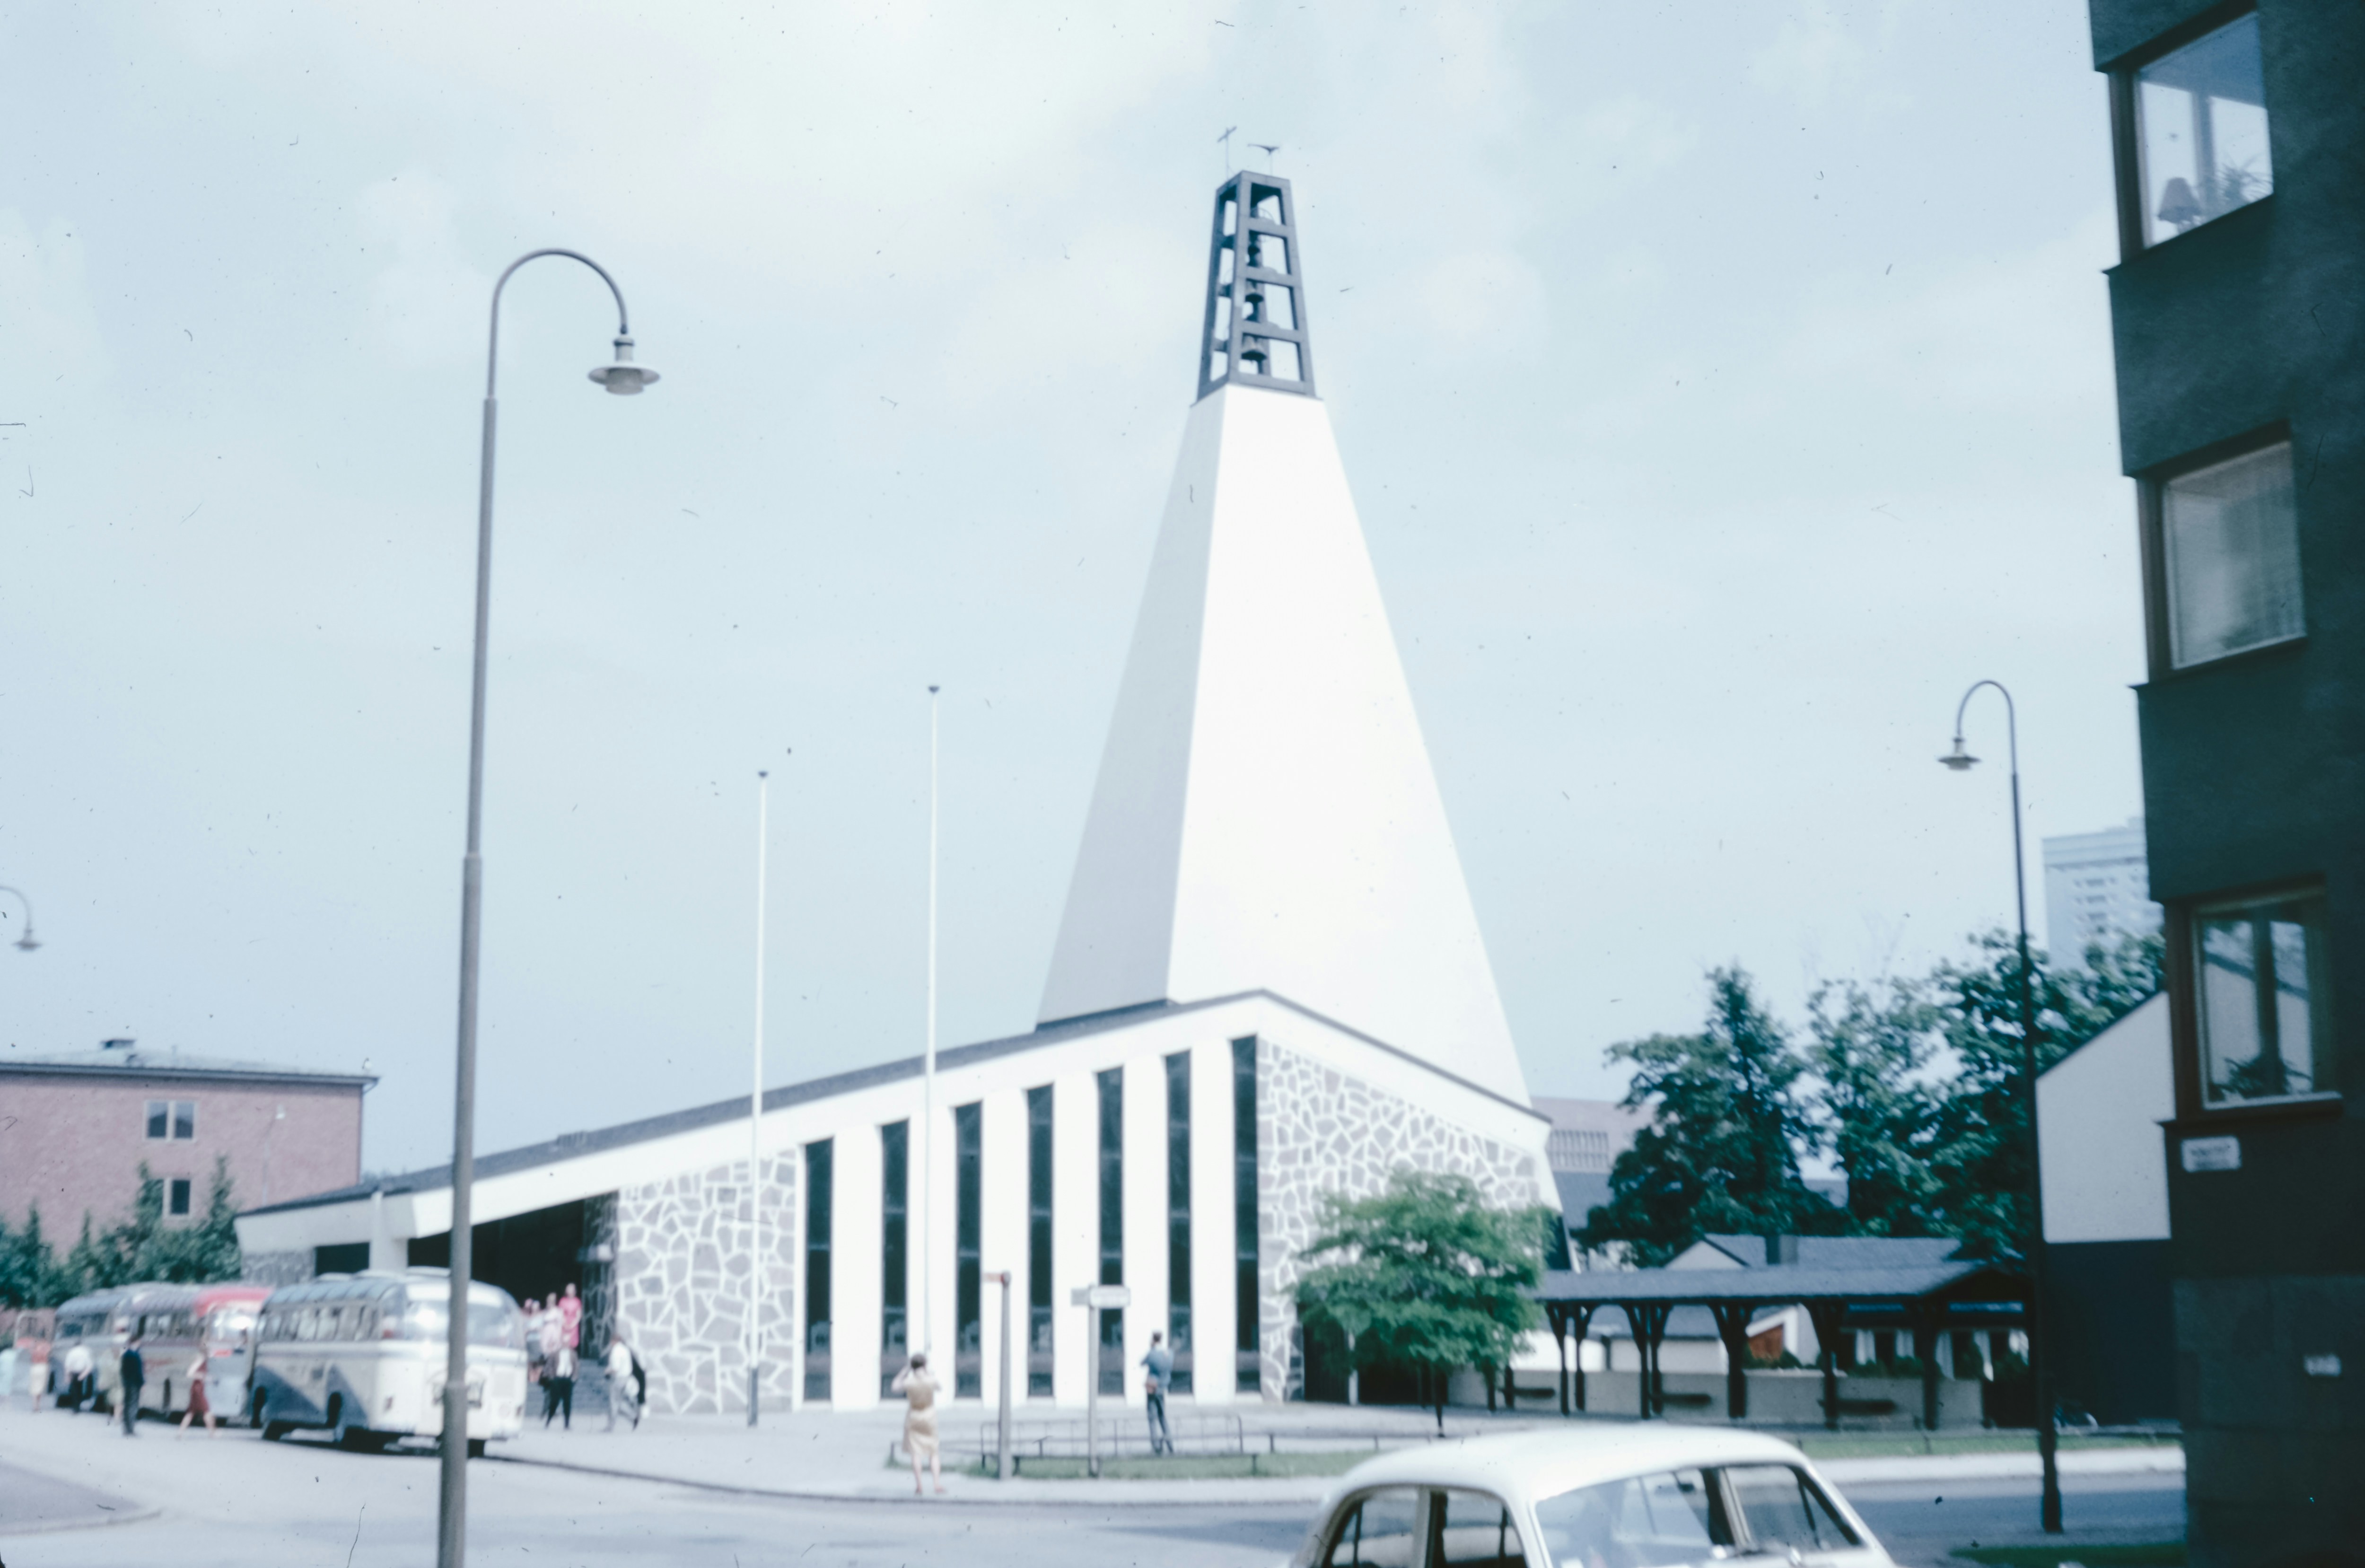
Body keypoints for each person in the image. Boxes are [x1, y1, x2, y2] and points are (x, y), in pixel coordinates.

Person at [890, 1353, 943, 1495]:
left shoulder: (910, 1382)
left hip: (914, 1416)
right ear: (925, 1365)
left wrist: (904, 1372)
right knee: (934, 1452)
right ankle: (937, 1484)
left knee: (916, 1453)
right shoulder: (930, 1380)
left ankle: (919, 1485)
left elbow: (894, 1387)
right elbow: (940, 1387)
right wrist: (929, 1373)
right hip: (930, 1417)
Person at [1141, 1331, 1174, 1456]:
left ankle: (1156, 1446)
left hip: (1152, 1388)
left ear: (1153, 1340)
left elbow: (1142, 1363)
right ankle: (1170, 1443)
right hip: (1162, 1388)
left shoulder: (1152, 1354)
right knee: (1162, 1416)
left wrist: (1151, 1349)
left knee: (1152, 1418)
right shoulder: (1169, 1354)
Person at [178, 1349, 218, 1436]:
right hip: (198, 1390)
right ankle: (213, 1433)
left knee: (191, 1412)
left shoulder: (203, 1361)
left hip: (197, 1389)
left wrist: (206, 1378)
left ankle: (180, 1432)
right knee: (207, 1411)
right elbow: (190, 1373)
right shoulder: (200, 1361)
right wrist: (203, 1376)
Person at [604, 1335, 638, 1431]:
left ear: (614, 1341)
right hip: (626, 1378)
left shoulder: (616, 1351)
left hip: (618, 1378)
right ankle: (633, 1417)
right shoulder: (625, 1349)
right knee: (618, 1401)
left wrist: (607, 1371)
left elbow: (615, 1368)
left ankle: (610, 1426)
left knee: (614, 1402)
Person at [543, 1342, 576, 1429]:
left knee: (568, 1403)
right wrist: (552, 1377)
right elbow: (549, 1365)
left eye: (567, 1343)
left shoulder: (573, 1354)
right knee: (554, 1402)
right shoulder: (555, 1354)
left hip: (568, 1380)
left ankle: (567, 1424)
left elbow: (576, 1366)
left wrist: (574, 1378)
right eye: (564, 1343)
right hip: (557, 1379)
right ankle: (548, 1422)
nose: (565, 1345)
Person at [119, 1337, 145, 1436]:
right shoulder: (136, 1355)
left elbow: (122, 1370)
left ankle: (126, 1428)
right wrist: (142, 1383)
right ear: (135, 1343)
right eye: (138, 1342)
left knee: (127, 1405)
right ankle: (131, 1429)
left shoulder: (125, 1355)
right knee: (133, 1406)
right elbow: (139, 1372)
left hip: (127, 1383)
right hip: (135, 1384)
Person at [61, 1340, 92, 1413]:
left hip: (73, 1373)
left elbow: (68, 1365)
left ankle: (75, 1408)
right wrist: (83, 1375)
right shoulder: (86, 1352)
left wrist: (67, 1376)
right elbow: (89, 1365)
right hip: (82, 1372)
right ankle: (78, 1406)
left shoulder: (71, 1352)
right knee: (80, 1390)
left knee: (74, 1390)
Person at [558, 1283, 583, 1349]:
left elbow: (579, 1316)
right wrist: (565, 1324)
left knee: (572, 1345)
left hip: (573, 1326)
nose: (569, 1290)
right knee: (564, 1342)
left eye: (571, 1289)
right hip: (564, 1325)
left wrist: (572, 1325)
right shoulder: (562, 1301)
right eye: (568, 1289)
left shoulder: (577, 1301)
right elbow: (561, 1314)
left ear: (574, 1291)